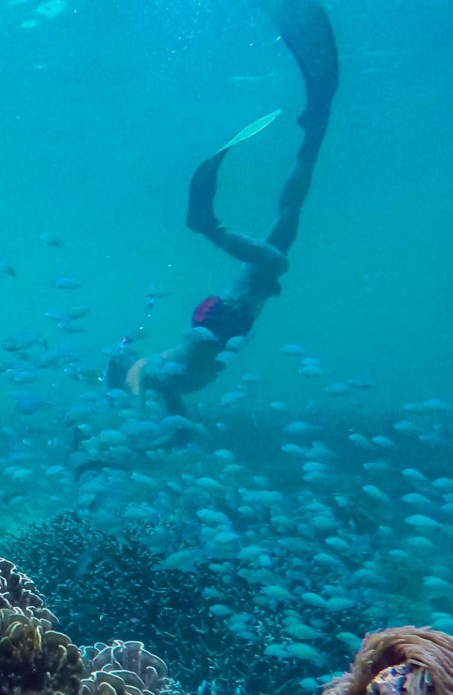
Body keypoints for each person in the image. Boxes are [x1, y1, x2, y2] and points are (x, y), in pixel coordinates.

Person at [107, 0, 339, 416]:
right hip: (231, 320)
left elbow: (134, 369)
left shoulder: (152, 376)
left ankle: (207, 226)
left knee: (275, 260)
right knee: (286, 228)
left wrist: (130, 370)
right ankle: (312, 138)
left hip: (222, 322)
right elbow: (153, 385)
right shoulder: (168, 384)